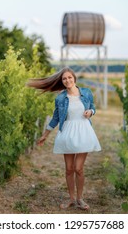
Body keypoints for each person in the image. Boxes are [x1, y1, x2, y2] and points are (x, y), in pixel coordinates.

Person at [27, 67, 101, 210]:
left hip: (83, 131)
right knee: (69, 169)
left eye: (69, 77)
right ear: (62, 81)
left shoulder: (86, 92)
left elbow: (93, 107)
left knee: (79, 168)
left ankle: (80, 199)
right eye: (64, 79)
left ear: (74, 78)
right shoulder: (60, 98)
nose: (67, 80)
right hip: (67, 132)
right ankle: (71, 199)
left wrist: (90, 112)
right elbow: (55, 118)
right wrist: (45, 135)